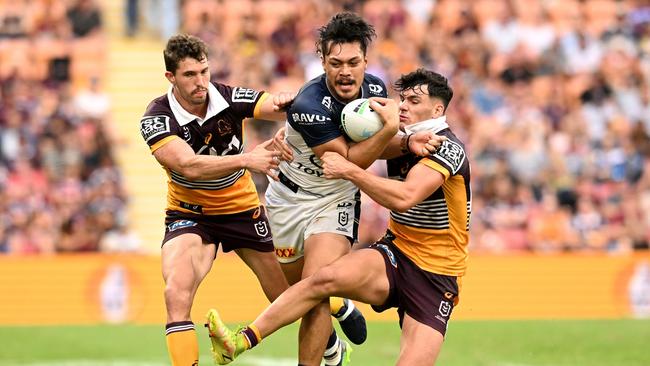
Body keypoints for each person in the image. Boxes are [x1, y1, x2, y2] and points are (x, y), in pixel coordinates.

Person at [206, 12, 444, 365]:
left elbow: (357, 163)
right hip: (288, 199)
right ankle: (336, 325)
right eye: (335, 63)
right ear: (323, 62)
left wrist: (406, 142)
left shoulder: (376, 90)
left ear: (366, 60)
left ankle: (265, 341)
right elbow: (348, 159)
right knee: (292, 292)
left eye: (353, 62)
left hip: (334, 200)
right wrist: (393, 131)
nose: (345, 71)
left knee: (316, 284)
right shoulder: (308, 104)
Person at [138, 34, 297, 366]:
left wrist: (296, 110)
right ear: (171, 77)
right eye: (190, 75)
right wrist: (246, 160)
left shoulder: (227, 97)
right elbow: (187, 166)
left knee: (287, 295)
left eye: (204, 71)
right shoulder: (156, 117)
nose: (201, 82)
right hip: (189, 213)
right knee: (176, 291)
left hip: (241, 209)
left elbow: (279, 106)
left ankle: (331, 339)